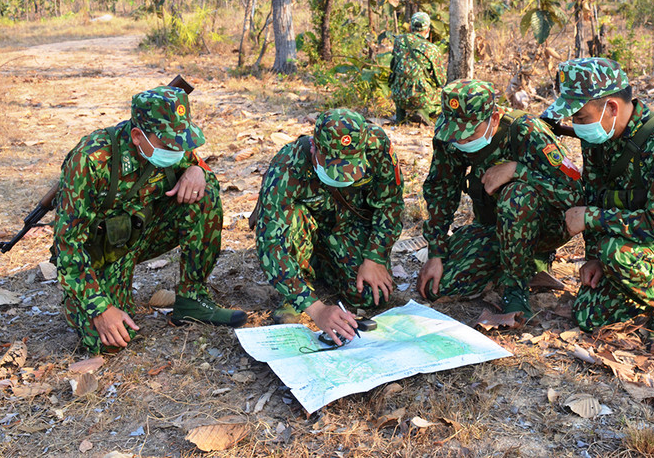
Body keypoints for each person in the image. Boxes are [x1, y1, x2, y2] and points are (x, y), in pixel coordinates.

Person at [53, 86, 247, 355]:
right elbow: (68, 245)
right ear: (137, 136)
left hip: (141, 235)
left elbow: (201, 171)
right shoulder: (91, 160)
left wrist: (197, 171)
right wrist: (100, 309)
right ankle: (93, 300)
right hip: (103, 253)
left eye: (182, 143)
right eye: (169, 145)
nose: (177, 151)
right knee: (110, 342)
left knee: (204, 197)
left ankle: (192, 299)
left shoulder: (172, 144)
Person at [542, 57, 654, 343]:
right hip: (630, 236)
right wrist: (593, 257)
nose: (576, 126)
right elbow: (596, 195)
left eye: (581, 118)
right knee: (588, 315)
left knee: (617, 253)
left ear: (612, 107)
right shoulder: (599, 138)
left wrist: (590, 219)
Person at [416, 80, 583, 318]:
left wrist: (518, 171)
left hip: (545, 227)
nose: (460, 141)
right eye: (455, 134)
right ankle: (516, 262)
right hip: (494, 226)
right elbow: (440, 191)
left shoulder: (525, 131)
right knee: (440, 287)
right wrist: (436, 253)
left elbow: (575, 194)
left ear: (493, 118)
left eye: (469, 133)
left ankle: (516, 288)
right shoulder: (449, 133)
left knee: (516, 194)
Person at [254, 109, 403, 345]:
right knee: (294, 219)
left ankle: (324, 266)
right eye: (334, 166)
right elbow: (271, 243)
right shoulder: (287, 165)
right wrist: (316, 309)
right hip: (304, 229)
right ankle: (298, 287)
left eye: (350, 167)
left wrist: (374, 257)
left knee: (369, 296)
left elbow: (390, 203)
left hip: (345, 229)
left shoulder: (377, 146)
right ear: (314, 148)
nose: (343, 176)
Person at [389, 11, 445, 126]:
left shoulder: (398, 41)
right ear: (428, 30)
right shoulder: (432, 49)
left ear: (410, 28)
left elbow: (394, 65)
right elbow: (441, 80)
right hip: (420, 99)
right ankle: (423, 113)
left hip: (398, 95)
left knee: (401, 79)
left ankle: (400, 117)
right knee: (443, 95)